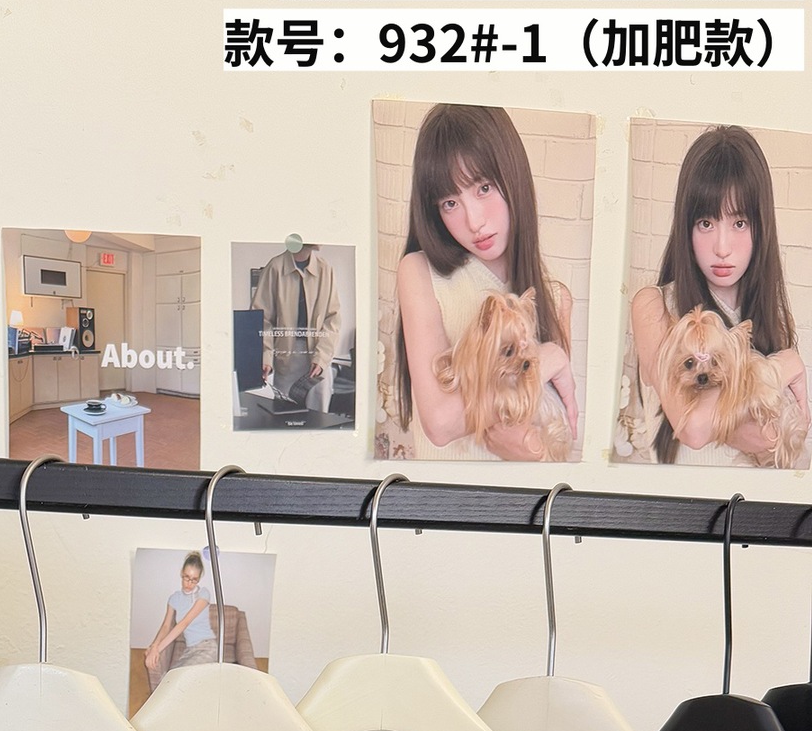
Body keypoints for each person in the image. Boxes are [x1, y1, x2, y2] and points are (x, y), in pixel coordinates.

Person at [384, 104, 579, 462]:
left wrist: (530, 450)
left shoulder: (554, 297)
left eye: (484, 188)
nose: (474, 221)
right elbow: (441, 423)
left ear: (513, 176)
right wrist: (547, 358)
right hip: (447, 494)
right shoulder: (421, 272)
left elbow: (551, 444)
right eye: (450, 203)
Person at [623, 124, 808, 467]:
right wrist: (782, 367)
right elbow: (693, 428)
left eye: (739, 223)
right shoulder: (656, 307)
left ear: (761, 227)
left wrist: (726, 417)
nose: (722, 248)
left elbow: (781, 447)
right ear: (686, 226)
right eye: (706, 223)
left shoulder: (771, 321)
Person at [251, 241, 341, 410]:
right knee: (285, 414)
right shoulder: (275, 267)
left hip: (319, 355)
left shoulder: (325, 269)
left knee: (318, 418)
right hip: (286, 357)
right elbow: (262, 318)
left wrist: (321, 358)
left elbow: (332, 319)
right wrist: (266, 356)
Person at [145, 553, 215, 680]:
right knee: (167, 678)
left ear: (199, 579)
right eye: (186, 577)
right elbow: (166, 626)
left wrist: (157, 650)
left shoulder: (203, 594)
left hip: (207, 648)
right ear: (182, 573)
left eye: (194, 580)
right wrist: (154, 646)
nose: (189, 583)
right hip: (190, 650)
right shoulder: (174, 598)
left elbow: (184, 623)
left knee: (180, 679)